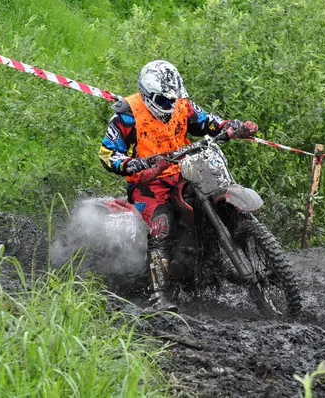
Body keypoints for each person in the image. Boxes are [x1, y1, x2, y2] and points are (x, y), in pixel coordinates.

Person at [99, 60, 258, 312]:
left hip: (185, 171)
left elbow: (209, 122)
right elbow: (108, 153)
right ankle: (159, 295)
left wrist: (231, 127)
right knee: (162, 224)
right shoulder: (126, 116)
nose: (170, 105)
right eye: (164, 101)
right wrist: (130, 164)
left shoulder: (181, 105)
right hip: (150, 183)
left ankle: (218, 259)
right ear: (147, 95)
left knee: (215, 198)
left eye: (174, 99)